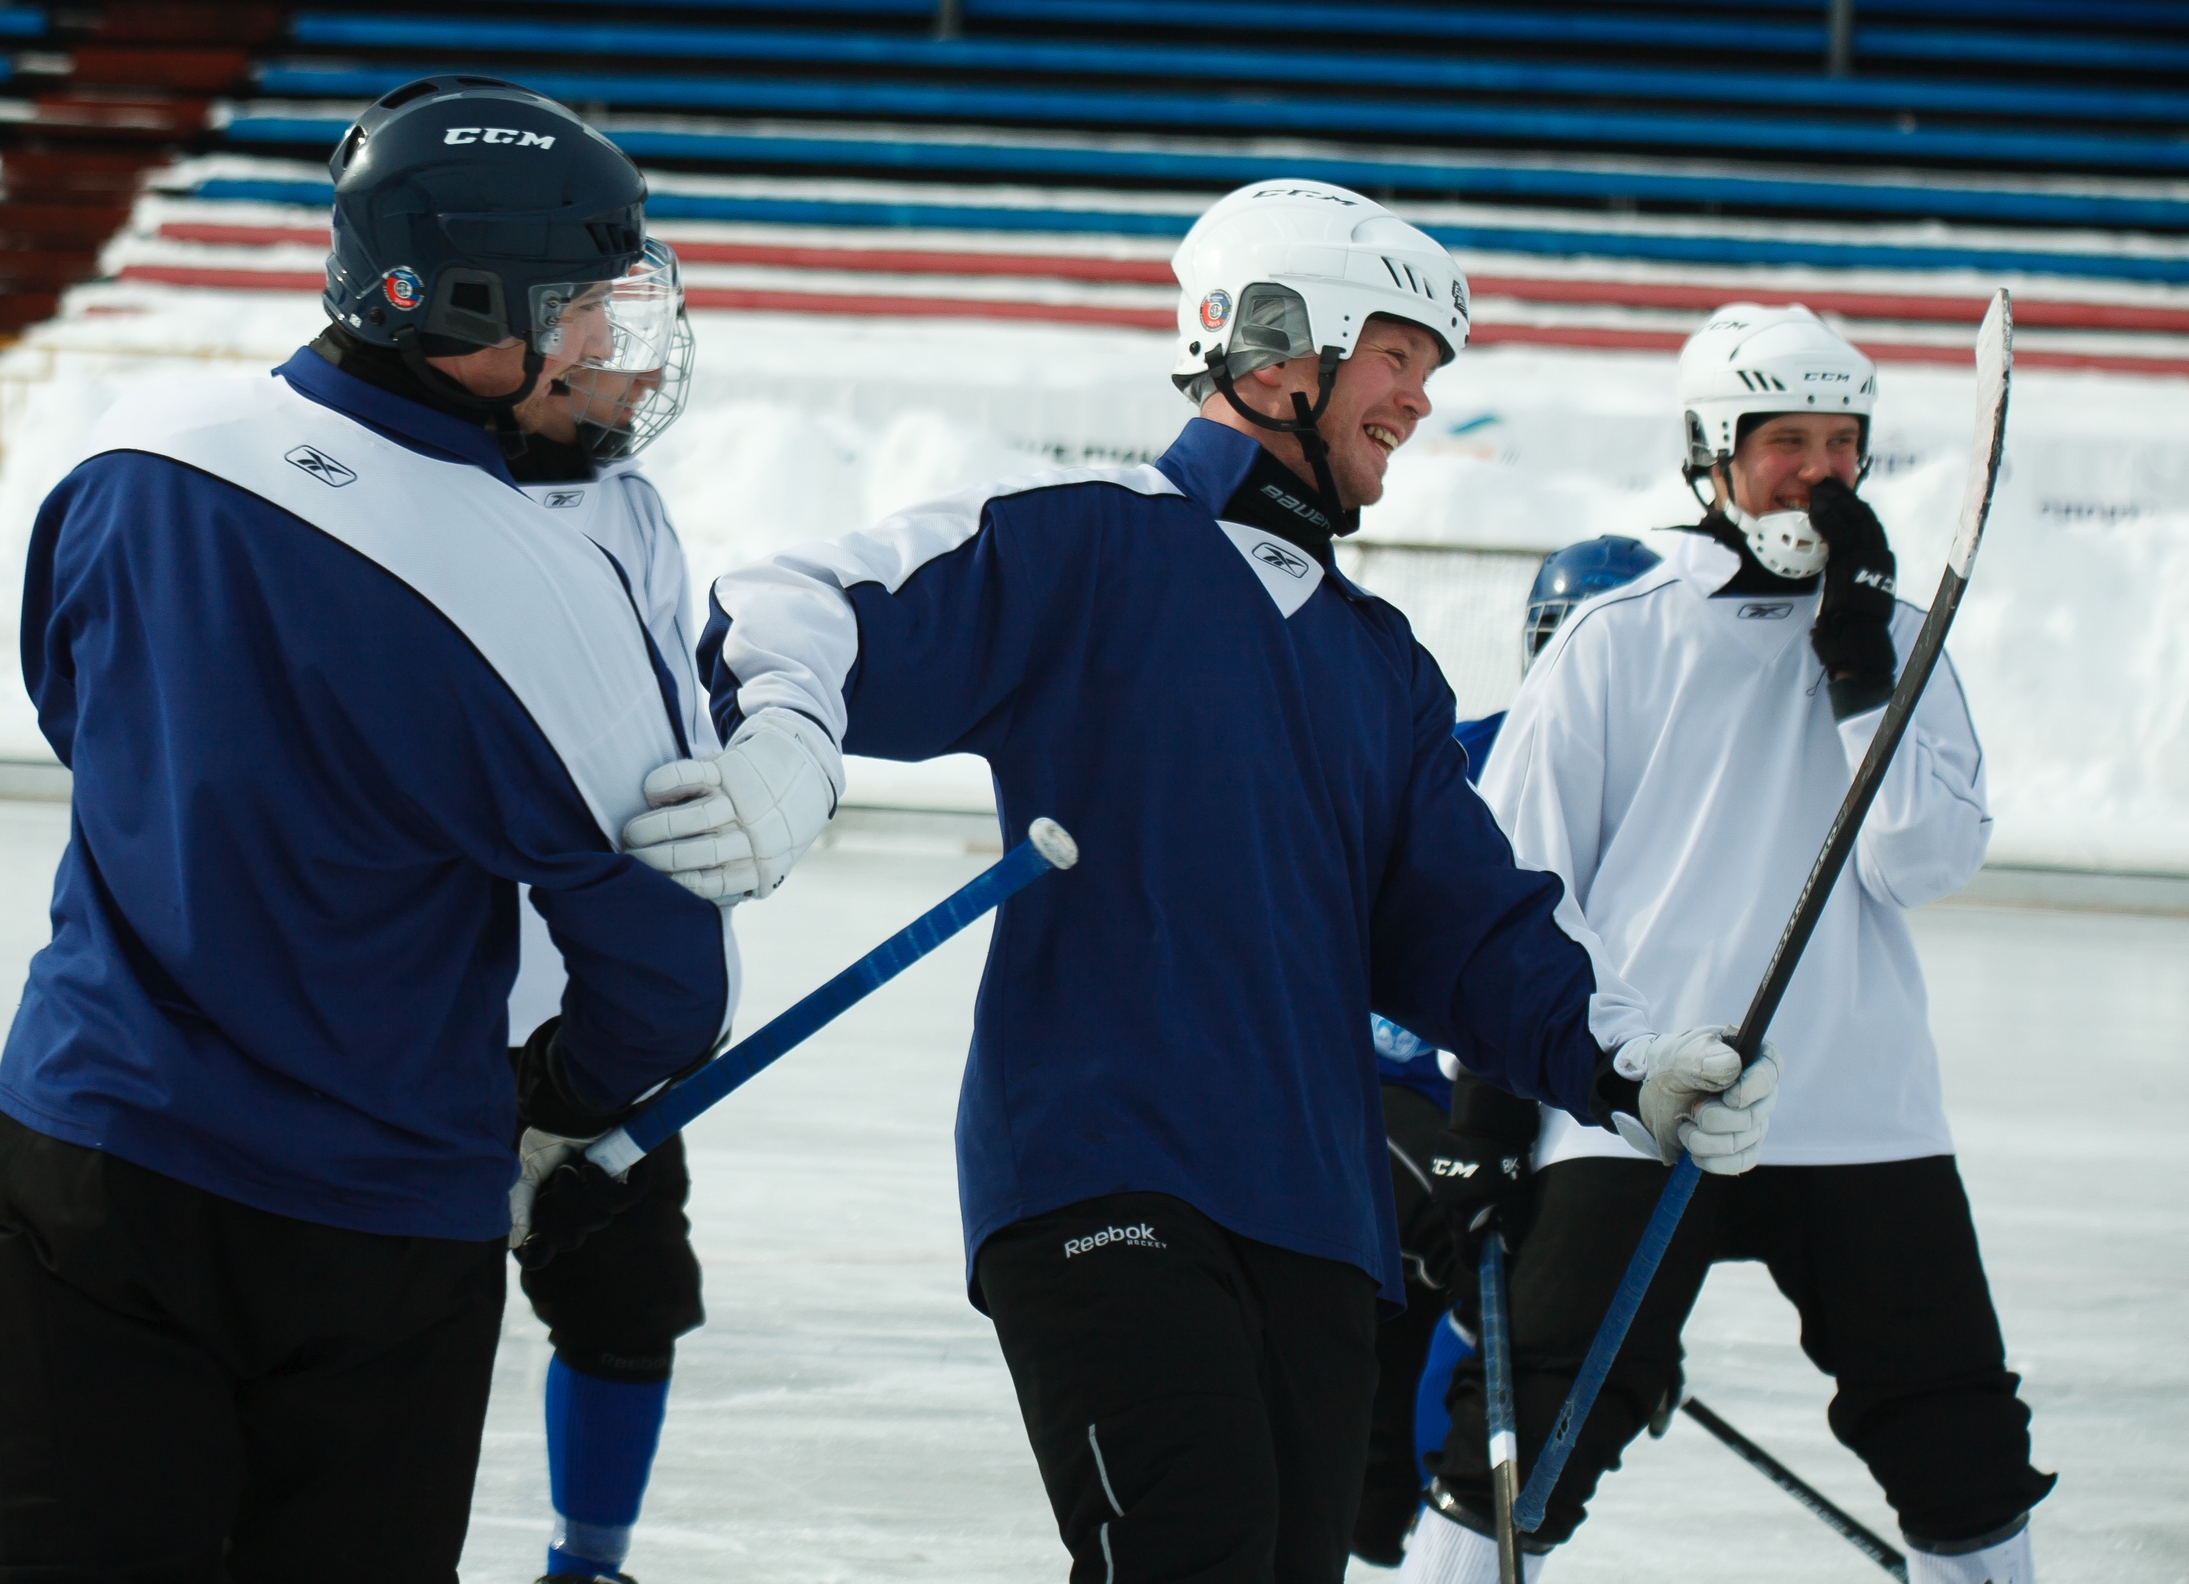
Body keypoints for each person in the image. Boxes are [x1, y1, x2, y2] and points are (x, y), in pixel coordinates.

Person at [621, 179, 1783, 1584]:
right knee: (1190, 1553)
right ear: (1283, 347)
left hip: (1318, 1216)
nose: (1419, 400)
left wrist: (1625, 1058)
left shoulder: (1380, 664)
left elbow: (1467, 926)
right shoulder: (1095, 541)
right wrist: (790, 743)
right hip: (1104, 1174)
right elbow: (793, 603)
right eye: (1398, 357)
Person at [0, 77, 735, 1583]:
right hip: (377, 1234)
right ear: (462, 305)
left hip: (84, 1162)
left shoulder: (138, 446)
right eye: (583, 308)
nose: (615, 346)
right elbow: (665, 978)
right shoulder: (534, 588)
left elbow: (76, 713)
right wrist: (554, 1093)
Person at [1400, 306, 2053, 1584]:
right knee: (1530, 1430)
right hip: (1641, 1103)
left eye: (1841, 443)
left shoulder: (1904, 639)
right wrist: (1487, 1117)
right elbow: (1512, 883)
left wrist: (1860, 673)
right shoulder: (1620, 635)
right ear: (1712, 450)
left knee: (1957, 1440)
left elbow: (1921, 861)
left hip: (1860, 1110)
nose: (1819, 472)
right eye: (1784, 442)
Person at [1352, 536, 1660, 1568]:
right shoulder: (1458, 757)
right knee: (1462, 1279)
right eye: (1559, 638)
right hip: (1391, 1090)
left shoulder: (1669, 802)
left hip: (1529, 1107)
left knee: (1533, 1311)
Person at [498, 295, 713, 1584]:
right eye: (603, 340)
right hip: (427, 1012)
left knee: (628, 1303)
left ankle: (588, 1565)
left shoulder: (630, 507)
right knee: (370, 1319)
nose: (639, 373)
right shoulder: (404, 500)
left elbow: (671, 722)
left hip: (604, 1018)